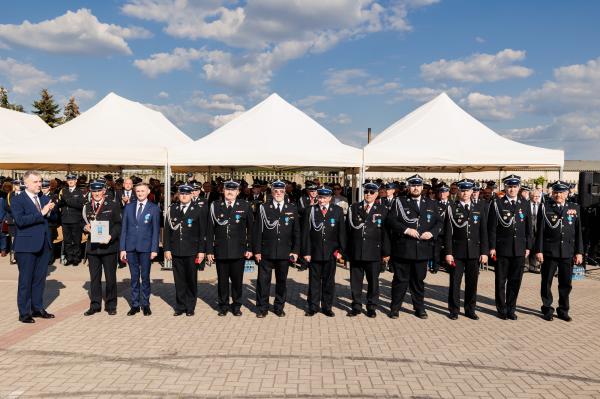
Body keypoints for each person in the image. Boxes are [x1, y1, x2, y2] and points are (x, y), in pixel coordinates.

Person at [386, 174, 443, 319]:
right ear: (408, 187)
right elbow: (391, 220)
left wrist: (432, 233)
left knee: (418, 281)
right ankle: (395, 308)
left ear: (422, 187)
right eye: (412, 185)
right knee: (400, 281)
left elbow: (439, 222)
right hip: (404, 248)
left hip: (422, 249)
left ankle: (419, 308)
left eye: (418, 185)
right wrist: (406, 230)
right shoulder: (400, 201)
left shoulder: (431, 203)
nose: (415, 188)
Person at [12, 171, 57, 323]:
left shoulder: (44, 198)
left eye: (40, 181)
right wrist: (42, 212)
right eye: (36, 182)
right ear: (26, 183)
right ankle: (24, 313)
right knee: (26, 280)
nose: (39, 184)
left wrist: (51, 212)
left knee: (39, 279)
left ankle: (37, 308)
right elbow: (20, 221)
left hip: (44, 244)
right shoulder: (18, 200)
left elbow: (54, 218)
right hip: (26, 246)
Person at [535, 181, 584, 322]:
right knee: (547, 282)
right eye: (556, 192)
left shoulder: (574, 208)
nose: (558, 195)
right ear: (552, 193)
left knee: (566, 284)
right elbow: (540, 232)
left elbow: (578, 232)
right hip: (550, 251)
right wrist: (539, 250)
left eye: (562, 192)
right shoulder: (545, 207)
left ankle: (563, 309)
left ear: (567, 193)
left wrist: (579, 252)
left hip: (567, 252)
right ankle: (547, 309)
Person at [488, 174, 533, 320]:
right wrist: (492, 247)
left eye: (515, 186)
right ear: (505, 188)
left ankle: (511, 308)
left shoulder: (525, 203)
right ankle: (501, 308)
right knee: (501, 280)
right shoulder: (497, 203)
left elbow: (529, 228)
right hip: (502, 248)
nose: (512, 189)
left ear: (519, 188)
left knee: (515, 281)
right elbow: (492, 228)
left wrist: (528, 246)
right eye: (509, 186)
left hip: (519, 249)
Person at [253, 180, 300, 318]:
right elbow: (257, 231)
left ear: (285, 192)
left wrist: (295, 251)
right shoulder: (263, 207)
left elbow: (296, 232)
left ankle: (279, 307)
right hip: (266, 251)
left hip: (284, 252)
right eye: (275, 191)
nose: (278, 193)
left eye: (281, 191)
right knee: (263, 282)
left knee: (281, 282)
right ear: (271, 192)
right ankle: (262, 308)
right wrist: (257, 251)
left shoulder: (292, 208)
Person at [206, 180, 254, 316]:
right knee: (222, 281)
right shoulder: (215, 206)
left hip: (239, 250)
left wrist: (250, 248)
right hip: (220, 250)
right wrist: (209, 250)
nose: (230, 192)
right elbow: (210, 230)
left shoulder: (245, 205)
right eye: (227, 190)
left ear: (238, 192)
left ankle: (237, 305)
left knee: (237, 281)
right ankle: (223, 306)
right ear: (223, 191)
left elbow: (251, 229)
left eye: (233, 190)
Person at [444, 179, 489, 320]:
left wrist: (484, 252)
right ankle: (454, 309)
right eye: (462, 190)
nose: (465, 193)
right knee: (455, 282)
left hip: (474, 252)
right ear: (458, 191)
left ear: (472, 192)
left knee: (472, 283)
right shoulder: (451, 207)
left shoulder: (479, 207)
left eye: (468, 190)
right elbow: (448, 233)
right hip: (457, 252)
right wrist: (448, 252)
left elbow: (483, 232)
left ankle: (470, 309)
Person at [346, 182, 390, 318]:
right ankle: (356, 306)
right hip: (357, 251)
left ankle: (371, 307)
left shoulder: (383, 209)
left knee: (373, 282)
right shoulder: (354, 207)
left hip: (374, 252)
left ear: (377, 194)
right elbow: (348, 231)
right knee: (356, 282)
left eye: (371, 192)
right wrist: (346, 252)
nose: (368, 195)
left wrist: (386, 252)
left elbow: (386, 233)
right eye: (366, 192)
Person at [164, 184, 208, 317]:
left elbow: (202, 233)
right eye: (182, 194)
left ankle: (190, 306)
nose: (184, 196)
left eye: (187, 194)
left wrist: (201, 251)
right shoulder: (172, 209)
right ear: (179, 195)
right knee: (179, 280)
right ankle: (180, 306)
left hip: (192, 251)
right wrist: (167, 249)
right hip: (176, 250)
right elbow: (167, 231)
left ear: (191, 195)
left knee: (191, 280)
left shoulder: (198, 209)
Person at [302, 186, 346, 317]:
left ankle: (327, 307)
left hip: (331, 253)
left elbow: (342, 233)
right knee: (314, 282)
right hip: (314, 253)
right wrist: (306, 252)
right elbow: (305, 233)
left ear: (330, 198)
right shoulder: (310, 210)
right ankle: (313, 307)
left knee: (328, 282)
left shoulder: (337, 210)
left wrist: (341, 251)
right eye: (320, 197)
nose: (322, 200)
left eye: (325, 197)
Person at [119, 182, 161, 316]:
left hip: (146, 248)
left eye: (143, 191)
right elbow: (124, 229)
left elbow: (155, 231)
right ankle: (135, 304)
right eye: (138, 191)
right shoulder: (128, 207)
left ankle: (146, 304)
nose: (140, 193)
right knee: (134, 277)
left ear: (148, 192)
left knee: (145, 277)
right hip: (131, 247)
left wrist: (155, 249)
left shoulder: (154, 208)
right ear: (134, 192)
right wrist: (122, 248)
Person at [82, 181, 122, 316]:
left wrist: (111, 236)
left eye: (99, 191)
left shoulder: (113, 205)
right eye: (94, 191)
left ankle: (111, 305)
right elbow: (82, 221)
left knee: (110, 278)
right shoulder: (87, 206)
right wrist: (84, 227)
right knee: (94, 278)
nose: (97, 193)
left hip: (108, 247)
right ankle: (95, 305)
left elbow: (118, 224)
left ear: (104, 191)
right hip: (93, 248)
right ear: (91, 192)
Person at [58, 173, 85, 266]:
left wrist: (68, 201)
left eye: (72, 180)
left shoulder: (80, 192)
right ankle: (69, 257)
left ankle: (76, 258)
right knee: (67, 240)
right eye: (69, 180)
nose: (70, 181)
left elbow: (80, 205)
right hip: (65, 219)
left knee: (77, 240)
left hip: (76, 219)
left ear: (76, 181)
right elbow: (60, 204)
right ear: (67, 181)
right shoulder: (63, 191)